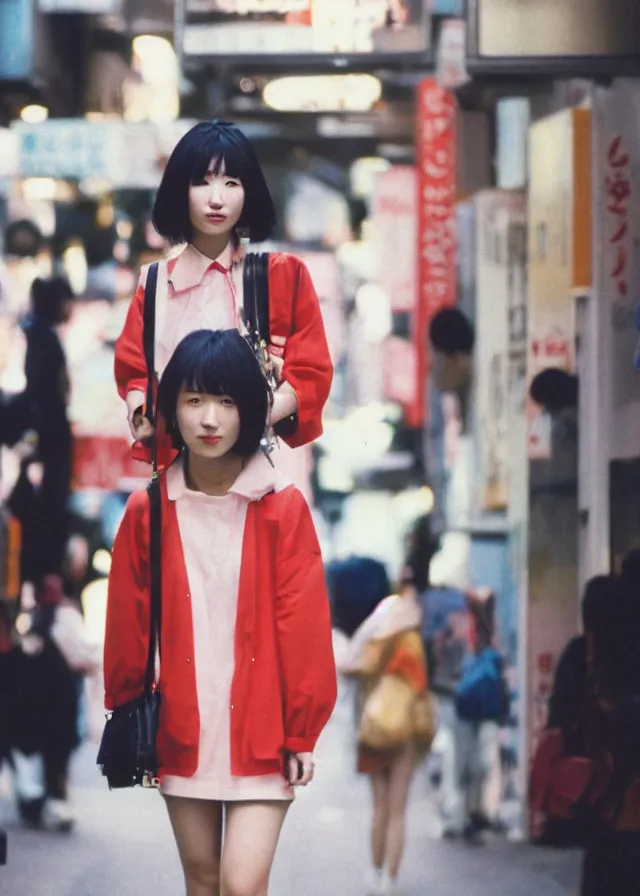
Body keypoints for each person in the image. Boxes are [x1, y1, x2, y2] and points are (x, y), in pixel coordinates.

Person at [104, 329, 337, 896]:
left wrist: (302, 731)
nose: (210, 418)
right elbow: (127, 624)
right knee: (203, 882)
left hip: (264, 733)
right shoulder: (147, 510)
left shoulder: (282, 508)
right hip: (182, 727)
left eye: (228, 402)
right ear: (172, 409)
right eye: (194, 400)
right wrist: (127, 711)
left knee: (239, 883)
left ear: (251, 410)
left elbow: (303, 626)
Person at [114, 120, 332, 467]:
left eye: (231, 182)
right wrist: (140, 412)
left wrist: (257, 417)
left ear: (249, 192)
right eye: (201, 182)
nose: (216, 199)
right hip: (180, 475)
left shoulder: (283, 276)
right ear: (179, 191)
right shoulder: (155, 284)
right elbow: (134, 372)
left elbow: (311, 371)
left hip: (263, 473)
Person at [342, 571, 430, 896]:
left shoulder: (374, 636)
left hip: (374, 729)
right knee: (397, 810)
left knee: (379, 808)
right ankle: (388, 880)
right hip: (404, 730)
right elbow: (420, 687)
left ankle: (376, 870)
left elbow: (354, 669)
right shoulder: (412, 642)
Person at [10, 573, 100, 831]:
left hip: (38, 702)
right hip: (59, 700)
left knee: (44, 754)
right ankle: (55, 801)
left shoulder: (30, 618)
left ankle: (41, 802)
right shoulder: (63, 617)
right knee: (57, 757)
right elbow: (82, 656)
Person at [20, 276, 74, 581]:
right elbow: (50, 389)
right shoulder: (44, 339)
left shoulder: (40, 335)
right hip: (50, 435)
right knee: (50, 508)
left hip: (49, 432)